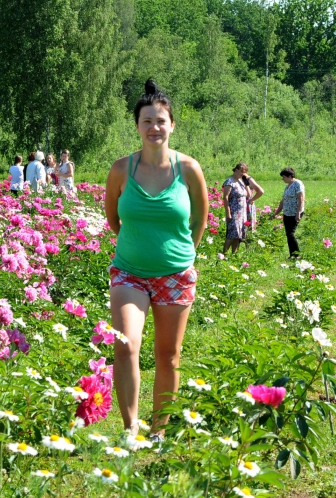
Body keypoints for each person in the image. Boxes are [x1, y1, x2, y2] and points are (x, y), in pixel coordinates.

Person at [105, 79, 209, 438]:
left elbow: (200, 218)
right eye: (147, 121)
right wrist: (135, 244)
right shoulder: (122, 170)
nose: (154, 128)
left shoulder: (189, 170)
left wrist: (185, 253)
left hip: (175, 274)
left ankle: (159, 430)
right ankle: (130, 428)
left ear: (172, 125)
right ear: (137, 126)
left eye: (161, 120)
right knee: (125, 343)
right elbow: (113, 218)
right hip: (129, 273)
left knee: (168, 356)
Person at [222, 163, 264, 254]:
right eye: (241, 171)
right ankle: (223, 254)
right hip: (234, 211)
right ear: (236, 170)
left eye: (244, 172)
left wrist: (246, 183)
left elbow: (249, 195)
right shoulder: (229, 182)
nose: (242, 174)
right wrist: (228, 213)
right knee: (231, 234)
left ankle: (234, 255)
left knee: (238, 235)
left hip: (242, 212)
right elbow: (225, 197)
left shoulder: (241, 181)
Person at [279, 166, 305, 258]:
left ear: (290, 176)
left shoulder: (298, 184)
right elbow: (283, 200)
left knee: (291, 233)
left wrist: (298, 213)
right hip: (287, 213)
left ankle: (297, 254)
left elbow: (301, 199)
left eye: (284, 177)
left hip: (295, 213)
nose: (283, 179)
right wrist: (276, 213)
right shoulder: (288, 186)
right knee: (288, 234)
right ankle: (292, 255)